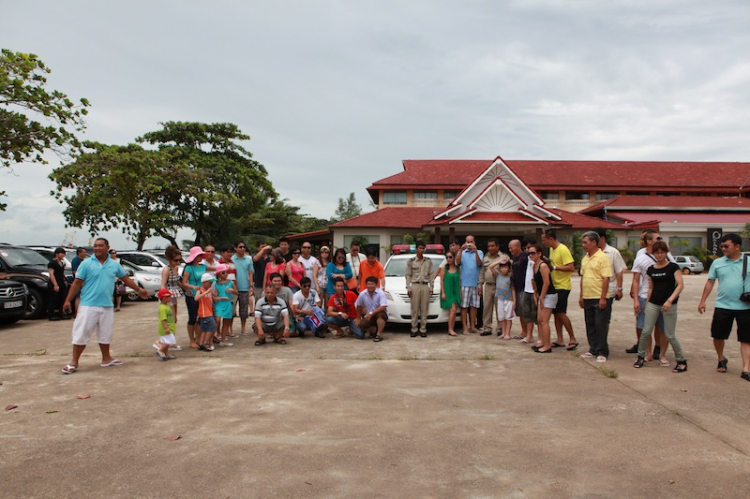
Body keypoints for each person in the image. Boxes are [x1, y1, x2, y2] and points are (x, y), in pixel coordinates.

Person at [60, 237, 149, 374]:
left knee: (105, 334)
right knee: (81, 333)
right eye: (95, 246)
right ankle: (74, 362)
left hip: (107, 305)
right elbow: (77, 283)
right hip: (88, 305)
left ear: (107, 247)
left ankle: (106, 358)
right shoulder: (86, 263)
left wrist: (139, 290)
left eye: (100, 245)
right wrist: (67, 300)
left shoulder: (114, 264)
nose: (97, 248)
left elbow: (125, 279)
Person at [698, 233, 750, 379]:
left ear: (737, 246)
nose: (723, 249)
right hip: (723, 305)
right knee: (718, 335)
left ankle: (746, 368)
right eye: (721, 246)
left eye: (726, 246)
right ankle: (721, 358)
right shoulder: (718, 263)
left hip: (745, 307)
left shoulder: (749, 261)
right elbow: (710, 281)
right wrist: (703, 300)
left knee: (746, 338)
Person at [633, 241, 687, 372]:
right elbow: (651, 288)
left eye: (662, 252)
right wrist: (646, 304)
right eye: (657, 252)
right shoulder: (651, 269)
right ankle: (641, 356)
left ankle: (681, 360)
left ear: (666, 253)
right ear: (654, 253)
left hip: (669, 305)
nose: (660, 255)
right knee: (646, 331)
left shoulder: (673, 267)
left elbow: (680, 285)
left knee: (669, 334)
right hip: (653, 303)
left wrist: (670, 300)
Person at [630, 231, 668, 363]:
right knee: (644, 327)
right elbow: (635, 279)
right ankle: (648, 352)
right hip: (645, 296)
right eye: (658, 238)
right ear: (649, 241)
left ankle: (661, 352)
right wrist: (636, 298)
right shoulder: (640, 258)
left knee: (663, 327)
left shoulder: (666, 257)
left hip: (663, 297)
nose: (660, 240)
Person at [578, 231, 612, 363]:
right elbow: (583, 278)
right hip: (587, 296)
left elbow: (606, 278)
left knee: (600, 324)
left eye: (585, 242)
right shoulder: (585, 258)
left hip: (599, 296)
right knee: (590, 324)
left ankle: (603, 351)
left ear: (594, 243)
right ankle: (593, 348)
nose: (583, 245)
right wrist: (581, 296)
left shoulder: (603, 257)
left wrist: (603, 298)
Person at [542, 229, 578, 349]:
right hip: (555, 285)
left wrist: (554, 267)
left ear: (551, 239)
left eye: (545, 240)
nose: (544, 243)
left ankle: (572, 337)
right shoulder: (552, 250)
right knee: (556, 314)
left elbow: (571, 267)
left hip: (563, 285)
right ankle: (560, 339)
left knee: (561, 313)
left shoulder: (563, 249)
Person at [595, 228, 627, 347]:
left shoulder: (613, 252)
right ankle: (596, 341)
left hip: (609, 289)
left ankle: (602, 341)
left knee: (603, 318)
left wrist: (619, 289)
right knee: (594, 319)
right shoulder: (593, 253)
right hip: (594, 290)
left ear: (602, 239)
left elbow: (619, 272)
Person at [528, 243, 557, 353]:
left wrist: (542, 297)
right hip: (541, 295)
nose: (531, 255)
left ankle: (547, 345)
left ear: (539, 254)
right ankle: (543, 342)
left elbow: (547, 283)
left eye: (533, 253)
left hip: (548, 295)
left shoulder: (543, 265)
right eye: (529, 253)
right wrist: (536, 294)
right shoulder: (534, 265)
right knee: (540, 320)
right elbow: (534, 281)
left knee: (544, 321)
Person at [154, 246, 184, 352]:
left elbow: (177, 281)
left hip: (174, 294)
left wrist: (186, 288)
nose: (178, 263)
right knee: (169, 320)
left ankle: (171, 342)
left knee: (174, 319)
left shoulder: (176, 268)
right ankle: (161, 342)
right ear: (170, 259)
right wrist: (164, 299)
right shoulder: (166, 269)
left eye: (179, 260)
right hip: (167, 296)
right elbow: (163, 285)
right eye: (176, 260)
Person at [479, 238, 507, 336]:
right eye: (489, 246)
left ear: (497, 246)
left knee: (499, 307)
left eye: (492, 246)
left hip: (500, 286)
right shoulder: (485, 258)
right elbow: (482, 272)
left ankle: (500, 328)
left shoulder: (504, 257)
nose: (490, 248)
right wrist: (480, 284)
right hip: (488, 286)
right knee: (487, 307)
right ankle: (487, 328)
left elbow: (508, 271)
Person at [405, 241, 434, 338]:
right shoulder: (411, 261)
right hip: (415, 285)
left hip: (425, 285)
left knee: (424, 309)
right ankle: (414, 329)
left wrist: (432, 287)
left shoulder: (428, 261)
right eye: (420, 248)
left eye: (423, 248)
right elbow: (408, 275)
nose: (421, 250)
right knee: (414, 309)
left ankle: (423, 329)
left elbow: (431, 275)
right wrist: (408, 287)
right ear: (416, 248)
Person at [456, 235, 483, 334]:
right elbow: (457, 263)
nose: (469, 244)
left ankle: (472, 326)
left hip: (475, 283)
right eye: (468, 242)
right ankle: (465, 327)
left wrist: (475, 251)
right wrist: (460, 250)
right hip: (464, 283)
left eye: (471, 241)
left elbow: (479, 264)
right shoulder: (462, 252)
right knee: (464, 306)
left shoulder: (479, 252)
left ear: (474, 242)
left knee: (474, 306)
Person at [181, 246, 207, 349]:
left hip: (201, 295)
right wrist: (192, 287)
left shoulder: (203, 267)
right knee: (192, 318)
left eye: (201, 255)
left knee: (200, 318)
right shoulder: (189, 268)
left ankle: (198, 338)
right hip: (191, 295)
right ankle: (191, 340)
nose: (200, 257)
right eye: (199, 255)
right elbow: (184, 282)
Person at [355, 276, 388, 342]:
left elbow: (383, 306)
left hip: (379, 313)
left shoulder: (380, 293)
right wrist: (358, 317)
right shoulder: (362, 294)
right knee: (361, 324)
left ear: (376, 284)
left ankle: (379, 335)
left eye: (372, 284)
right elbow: (358, 305)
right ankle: (373, 329)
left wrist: (371, 313)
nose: (370, 286)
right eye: (369, 284)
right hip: (369, 316)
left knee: (380, 315)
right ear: (366, 284)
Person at [489, 257, 516, 340]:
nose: (504, 269)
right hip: (500, 299)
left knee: (508, 317)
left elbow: (513, 289)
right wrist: (499, 261)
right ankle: (503, 333)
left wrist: (514, 300)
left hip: (509, 299)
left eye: (506, 267)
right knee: (502, 317)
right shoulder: (498, 275)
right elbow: (490, 267)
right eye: (502, 267)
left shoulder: (510, 276)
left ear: (509, 268)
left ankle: (508, 333)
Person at [437, 250, 461, 336]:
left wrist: (460, 293)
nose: (448, 259)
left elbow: (459, 282)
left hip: (455, 292)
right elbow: (441, 281)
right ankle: (450, 329)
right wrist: (443, 293)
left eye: (450, 257)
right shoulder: (444, 268)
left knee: (453, 311)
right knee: (453, 310)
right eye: (447, 257)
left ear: (454, 258)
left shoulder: (458, 269)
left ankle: (451, 329)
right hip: (447, 291)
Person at [508, 240, 529, 340]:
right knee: (520, 311)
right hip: (516, 287)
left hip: (525, 288)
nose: (510, 250)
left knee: (526, 311)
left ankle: (529, 334)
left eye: (511, 247)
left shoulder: (525, 256)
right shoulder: (514, 258)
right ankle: (523, 332)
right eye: (509, 248)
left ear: (518, 247)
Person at [212, 263, 237, 346]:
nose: (225, 274)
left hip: (228, 303)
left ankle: (223, 340)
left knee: (226, 322)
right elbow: (214, 295)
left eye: (226, 272)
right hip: (219, 303)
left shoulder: (231, 282)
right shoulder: (216, 284)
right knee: (217, 321)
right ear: (219, 274)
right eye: (223, 272)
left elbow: (237, 293)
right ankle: (212, 337)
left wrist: (232, 291)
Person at [519, 239, 538, 344]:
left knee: (537, 316)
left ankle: (541, 337)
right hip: (526, 290)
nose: (529, 252)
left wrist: (536, 292)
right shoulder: (527, 260)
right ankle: (529, 336)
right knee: (528, 315)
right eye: (526, 249)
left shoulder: (540, 262)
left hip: (534, 292)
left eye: (532, 251)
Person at [218, 244, 238, 338]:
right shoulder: (218, 263)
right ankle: (218, 332)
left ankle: (229, 330)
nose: (230, 254)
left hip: (232, 289)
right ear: (222, 253)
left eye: (231, 252)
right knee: (220, 312)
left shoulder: (232, 262)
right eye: (227, 252)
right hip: (222, 290)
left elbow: (235, 276)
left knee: (231, 311)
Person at [194, 273, 218, 352]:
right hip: (204, 313)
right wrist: (205, 292)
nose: (211, 284)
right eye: (210, 282)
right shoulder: (200, 290)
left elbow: (214, 297)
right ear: (204, 282)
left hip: (209, 313)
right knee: (212, 327)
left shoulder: (209, 290)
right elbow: (196, 298)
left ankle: (201, 344)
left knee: (204, 330)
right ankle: (205, 343)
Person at [155, 288, 177, 361]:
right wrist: (166, 328)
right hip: (166, 328)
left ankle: (167, 354)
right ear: (164, 298)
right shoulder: (162, 308)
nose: (170, 298)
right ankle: (160, 350)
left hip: (170, 327)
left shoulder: (166, 306)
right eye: (169, 297)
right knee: (169, 341)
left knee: (167, 342)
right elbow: (163, 319)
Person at [47, 247, 69, 321]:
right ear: (57, 254)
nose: (63, 255)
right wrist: (55, 285)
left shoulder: (62, 263)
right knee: (53, 298)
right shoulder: (52, 263)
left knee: (62, 298)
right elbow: (51, 274)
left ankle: (62, 313)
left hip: (61, 282)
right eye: (62, 253)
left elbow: (62, 273)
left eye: (64, 253)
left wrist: (64, 280)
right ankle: (51, 314)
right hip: (55, 282)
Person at [71, 247, 87, 317]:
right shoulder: (75, 260)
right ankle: (77, 313)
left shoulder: (83, 260)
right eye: (84, 252)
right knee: (78, 297)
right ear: (79, 253)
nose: (85, 254)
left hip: (84, 281)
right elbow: (75, 272)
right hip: (79, 281)